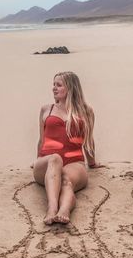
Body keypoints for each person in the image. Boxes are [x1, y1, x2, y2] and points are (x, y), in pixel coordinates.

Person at [33, 71, 103, 225]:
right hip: (47, 163)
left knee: (66, 181)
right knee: (55, 158)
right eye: (53, 84)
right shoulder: (46, 109)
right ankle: (52, 208)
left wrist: (92, 163)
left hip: (74, 163)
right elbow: (42, 139)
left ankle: (64, 210)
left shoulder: (86, 111)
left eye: (58, 85)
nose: (54, 88)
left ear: (70, 88)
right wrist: (38, 159)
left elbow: (88, 141)